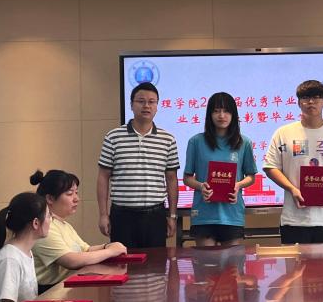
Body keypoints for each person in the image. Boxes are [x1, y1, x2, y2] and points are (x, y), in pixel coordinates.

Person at [263, 80, 323, 244]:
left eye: (316, 97)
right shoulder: (283, 133)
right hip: (294, 220)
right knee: (295, 262)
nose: (310, 102)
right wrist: (292, 189)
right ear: (298, 102)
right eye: (305, 98)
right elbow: (270, 166)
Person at [97, 81, 180, 249]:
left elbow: (172, 179)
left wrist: (172, 216)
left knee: (156, 263)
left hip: (155, 216)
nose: (146, 106)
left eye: (151, 102)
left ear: (157, 106)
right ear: (131, 104)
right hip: (122, 215)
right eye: (141, 101)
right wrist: (103, 214)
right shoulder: (113, 137)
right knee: (123, 261)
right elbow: (103, 177)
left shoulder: (168, 139)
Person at [31, 169, 127, 291]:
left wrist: (107, 246)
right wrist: (111, 251)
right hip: (50, 291)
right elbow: (71, 261)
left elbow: (85, 250)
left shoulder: (63, 224)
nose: (76, 199)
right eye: (70, 194)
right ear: (50, 198)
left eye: (76, 193)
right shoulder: (45, 227)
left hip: (66, 287)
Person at [182, 93, 258, 246]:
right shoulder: (196, 142)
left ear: (234, 114)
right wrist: (201, 186)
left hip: (232, 214)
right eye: (216, 111)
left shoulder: (244, 143)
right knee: (206, 261)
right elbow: (187, 178)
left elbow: (251, 176)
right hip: (204, 214)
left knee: (232, 261)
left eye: (226, 111)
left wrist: (238, 185)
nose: (221, 116)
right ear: (209, 115)